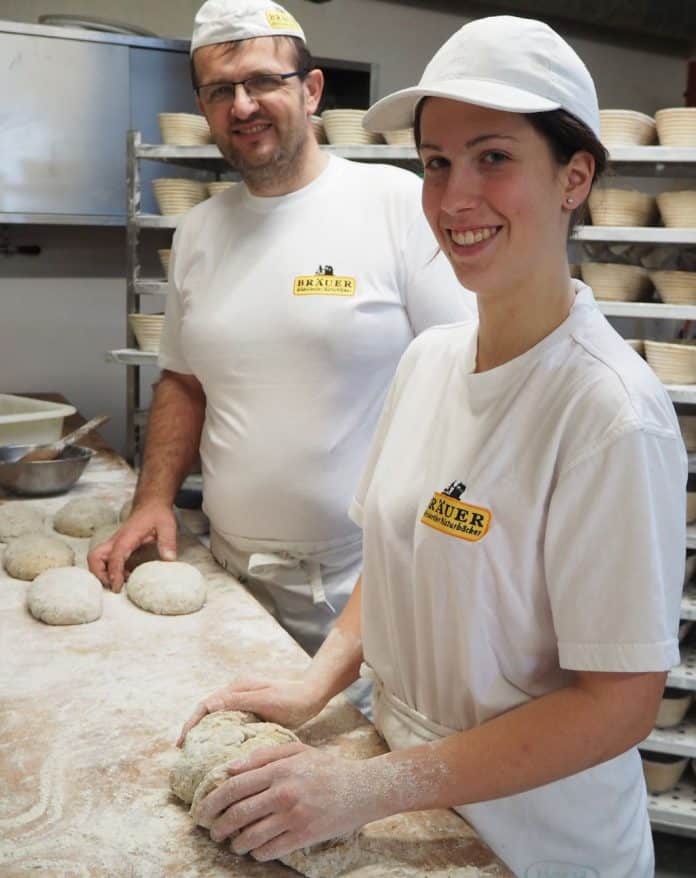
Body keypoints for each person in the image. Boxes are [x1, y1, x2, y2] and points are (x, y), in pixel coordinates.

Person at [176, 16, 687, 877]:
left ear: (575, 177)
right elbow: (397, 556)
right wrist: (316, 683)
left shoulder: (608, 414)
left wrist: (367, 788)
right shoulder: (430, 361)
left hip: (536, 842)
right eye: (438, 162)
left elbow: (619, 706)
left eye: (494, 158)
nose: (453, 199)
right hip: (412, 806)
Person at [87, 0, 473, 706]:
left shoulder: (398, 206)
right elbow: (183, 380)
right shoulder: (200, 231)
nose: (243, 106)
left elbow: (470, 388)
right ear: (202, 107)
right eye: (220, 90)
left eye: (263, 81)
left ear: (312, 89)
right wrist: (154, 499)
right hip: (229, 577)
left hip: (368, 591)